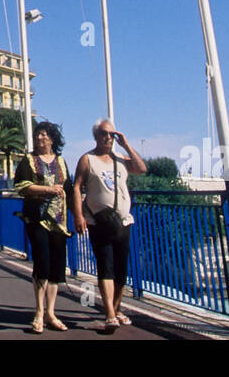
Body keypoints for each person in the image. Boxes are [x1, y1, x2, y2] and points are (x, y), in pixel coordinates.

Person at [73, 118, 147, 330]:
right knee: (106, 267)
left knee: (121, 270)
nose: (108, 138)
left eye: (111, 134)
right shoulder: (87, 159)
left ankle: (116, 308)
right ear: (96, 136)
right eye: (104, 134)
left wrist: (126, 145)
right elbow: (77, 187)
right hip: (99, 221)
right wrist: (79, 216)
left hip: (123, 222)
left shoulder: (120, 158)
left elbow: (141, 169)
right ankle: (109, 313)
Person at [13, 122, 72, 333]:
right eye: (38, 135)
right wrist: (47, 189)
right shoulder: (28, 161)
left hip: (59, 221)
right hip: (36, 218)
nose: (40, 139)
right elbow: (21, 186)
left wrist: (80, 216)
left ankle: (51, 313)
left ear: (53, 139)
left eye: (44, 136)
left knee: (57, 267)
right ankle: (39, 312)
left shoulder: (62, 162)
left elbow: (70, 189)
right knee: (42, 263)